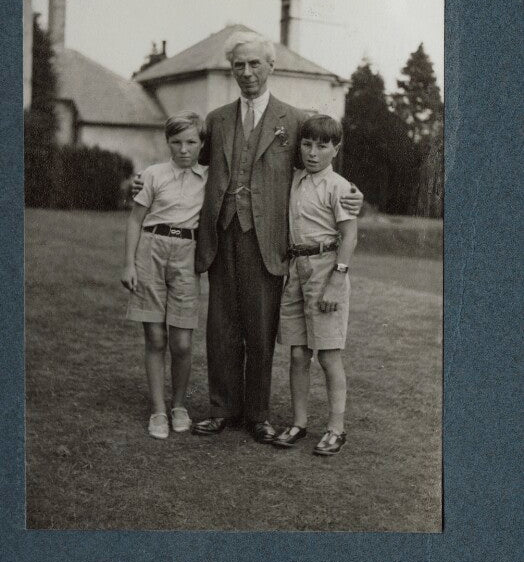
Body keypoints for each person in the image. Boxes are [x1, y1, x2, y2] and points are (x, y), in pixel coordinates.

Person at [133, 31, 363, 443]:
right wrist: (146, 180)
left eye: (255, 63)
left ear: (271, 67)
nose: (247, 72)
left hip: (268, 239)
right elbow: (184, 161)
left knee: (261, 329)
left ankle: (257, 414)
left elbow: (318, 163)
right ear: (232, 70)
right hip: (220, 236)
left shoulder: (293, 120)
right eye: (239, 65)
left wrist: (351, 192)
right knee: (221, 328)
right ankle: (223, 409)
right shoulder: (217, 120)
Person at [272, 115, 357, 456]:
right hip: (296, 268)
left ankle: (336, 429)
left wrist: (337, 279)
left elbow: (350, 236)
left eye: (323, 146)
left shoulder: (340, 187)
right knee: (297, 353)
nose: (313, 152)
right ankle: (299, 422)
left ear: (336, 149)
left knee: (329, 357)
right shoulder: (293, 180)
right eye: (307, 144)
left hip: (326, 267)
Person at [121, 111, 207, 439]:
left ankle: (179, 405)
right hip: (151, 250)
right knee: (156, 337)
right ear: (167, 142)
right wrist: (129, 264)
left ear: (201, 144)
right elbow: (134, 220)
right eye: (176, 142)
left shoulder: (209, 178)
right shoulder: (153, 175)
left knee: (182, 342)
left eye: (191, 142)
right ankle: (158, 410)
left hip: (188, 254)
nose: (184, 149)